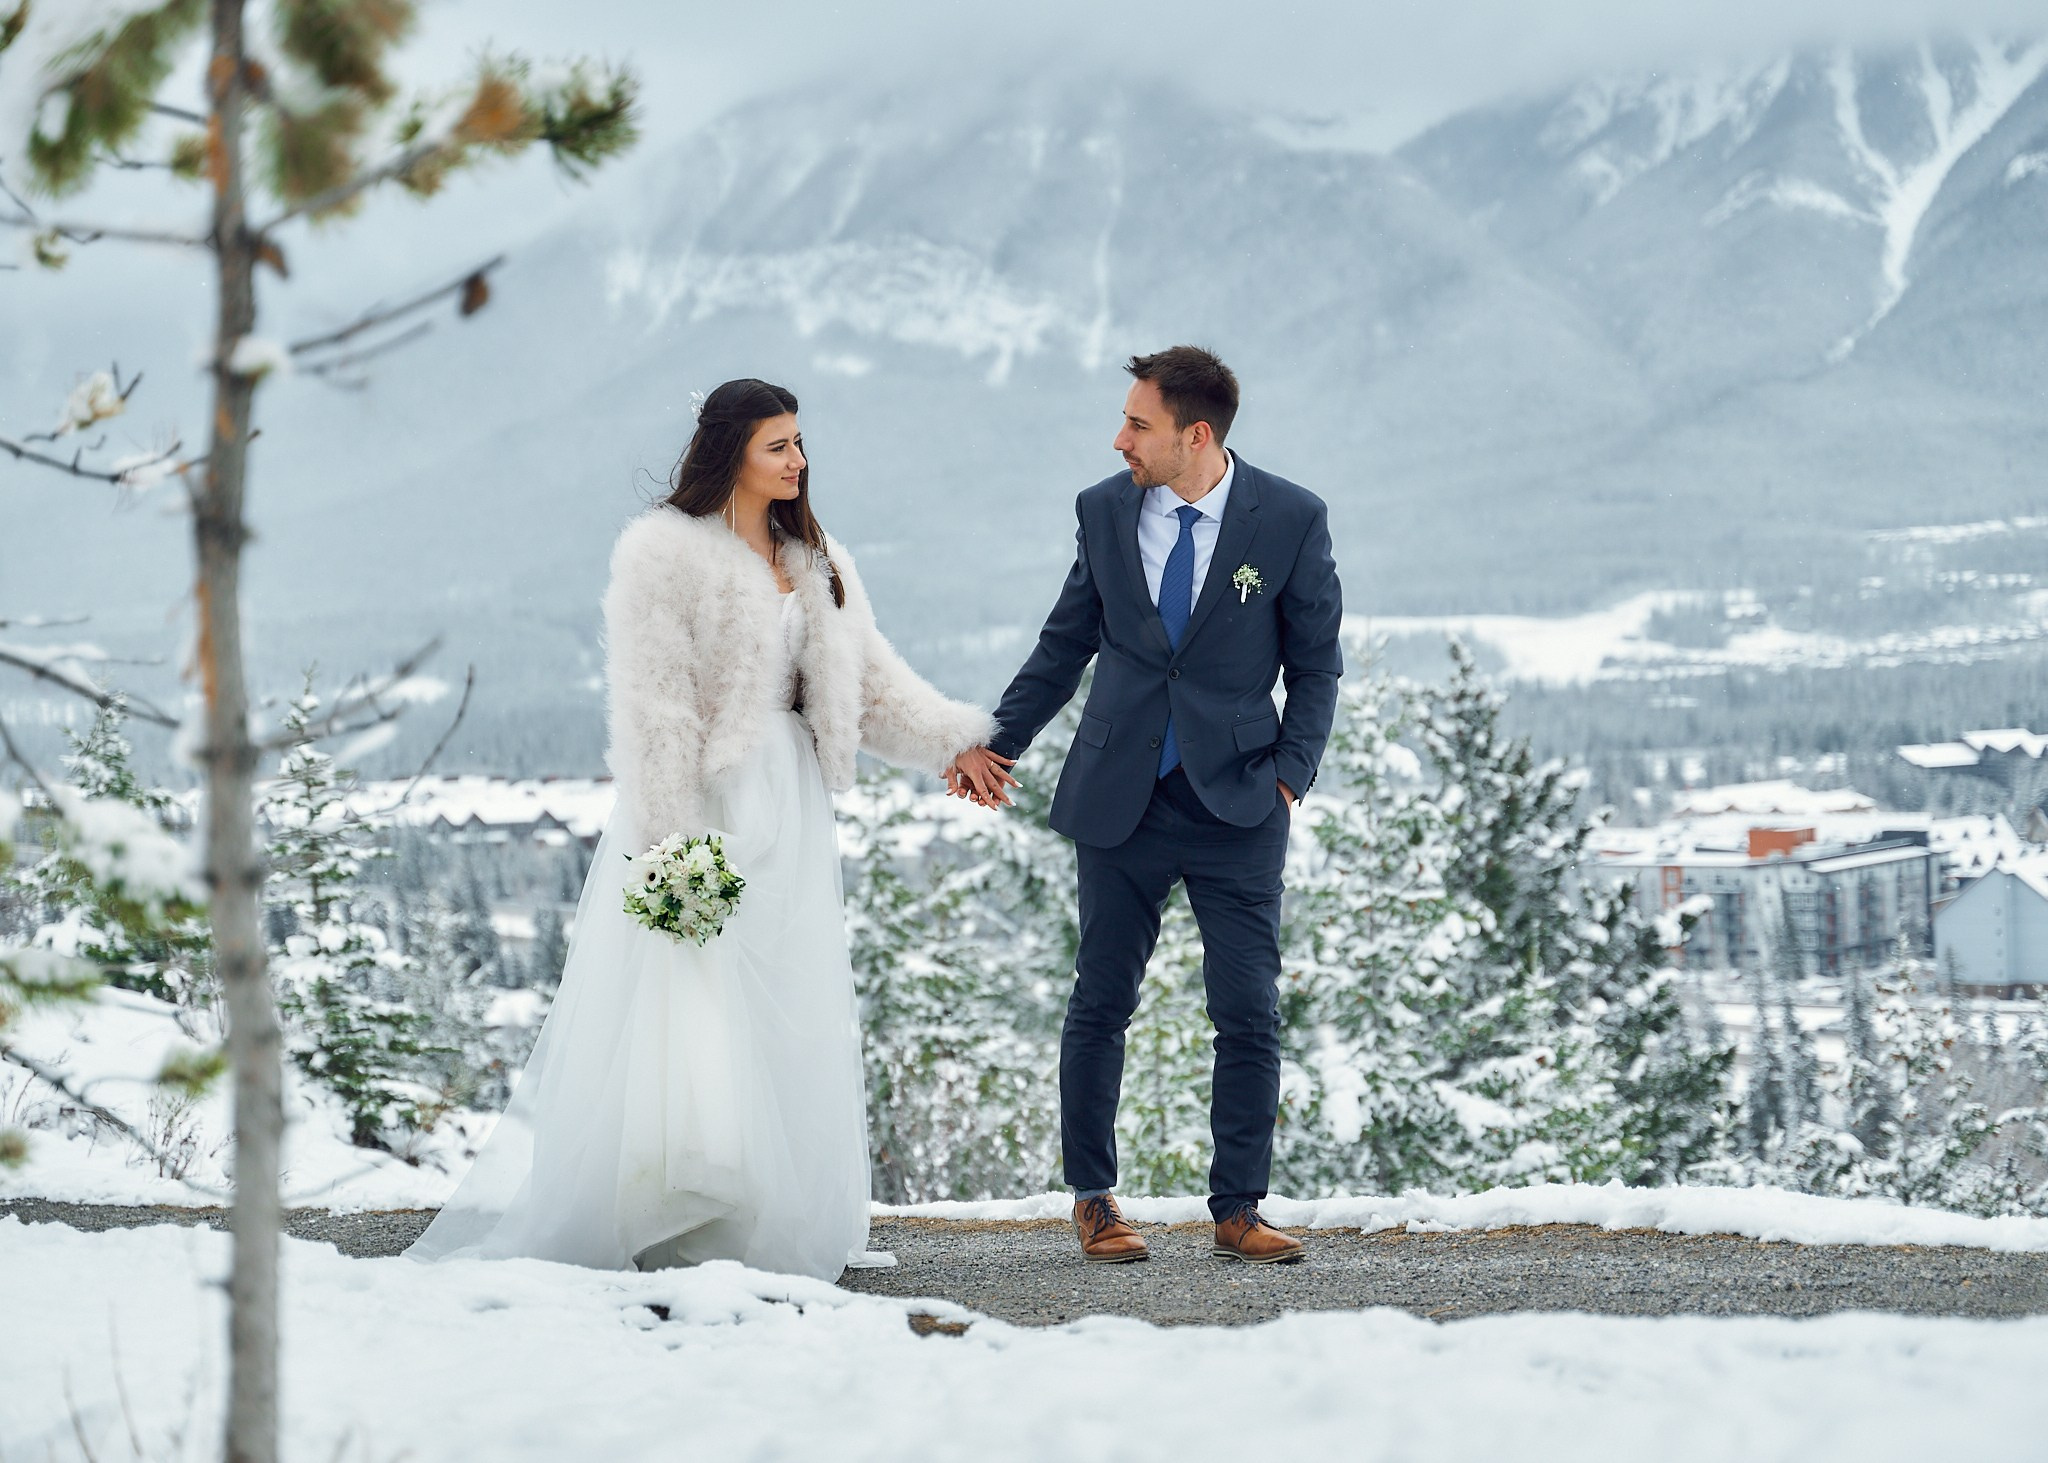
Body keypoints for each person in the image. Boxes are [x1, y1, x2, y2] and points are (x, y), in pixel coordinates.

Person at [408, 378, 995, 1280]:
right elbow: (654, 708)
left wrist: (959, 741)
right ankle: (685, 1218)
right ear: (729, 453)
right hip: (704, 806)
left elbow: (869, 688)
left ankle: (770, 1225)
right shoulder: (663, 555)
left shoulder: (819, 556)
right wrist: (671, 844)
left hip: (793, 808)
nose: (798, 462)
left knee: (782, 1010)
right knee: (696, 1004)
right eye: (777, 447)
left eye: (801, 443)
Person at [948, 346, 1343, 1266]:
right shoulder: (1102, 509)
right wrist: (995, 740)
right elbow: (1065, 641)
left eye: (1138, 424)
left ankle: (1238, 1208)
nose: (1118, 438)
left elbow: (1315, 662)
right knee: (1100, 1001)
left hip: (1240, 802)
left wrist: (1290, 773)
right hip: (1119, 794)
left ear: (1193, 435)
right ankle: (1094, 1199)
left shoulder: (1288, 518)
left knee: (1247, 1008)